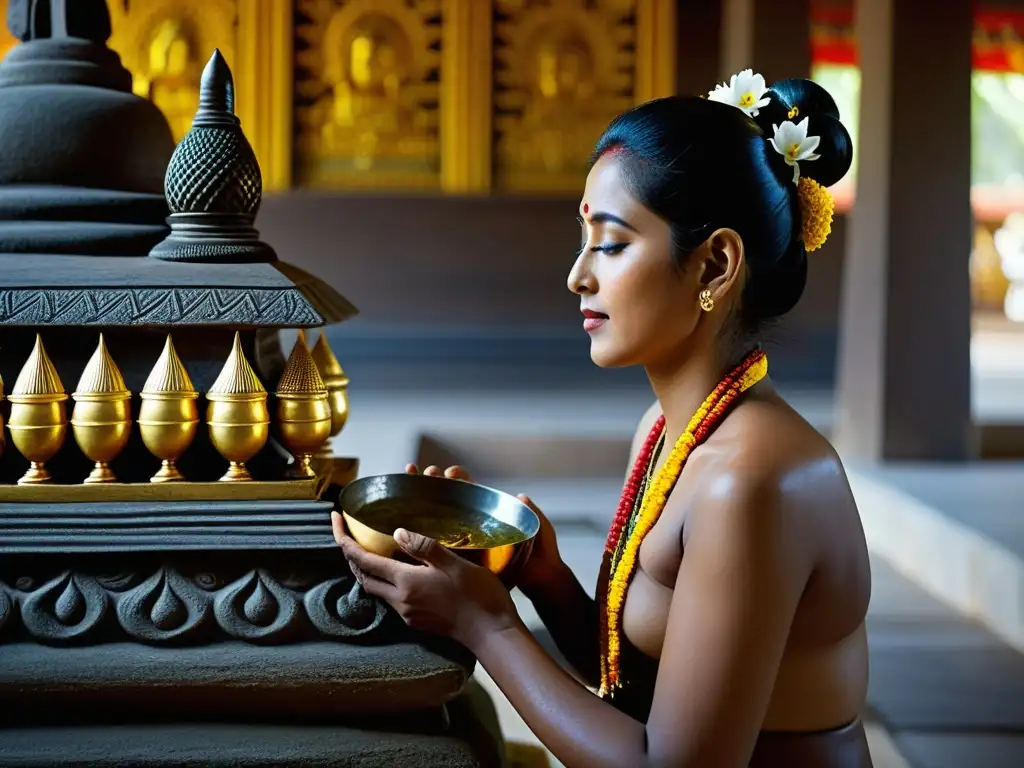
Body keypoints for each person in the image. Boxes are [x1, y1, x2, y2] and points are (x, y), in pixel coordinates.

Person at [333, 69, 873, 767]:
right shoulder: (666, 428)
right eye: (583, 239)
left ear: (714, 265)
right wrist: (539, 578)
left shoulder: (752, 481)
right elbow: (637, 679)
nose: (578, 275)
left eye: (611, 243)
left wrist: (484, 625)